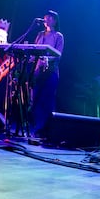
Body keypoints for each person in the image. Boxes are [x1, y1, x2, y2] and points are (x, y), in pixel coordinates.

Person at [29, 10, 64, 139]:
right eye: (45, 17)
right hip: (38, 71)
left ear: (55, 21)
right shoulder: (40, 34)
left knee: (46, 101)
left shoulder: (58, 36)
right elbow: (35, 51)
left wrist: (47, 59)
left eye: (50, 17)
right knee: (34, 100)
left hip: (50, 72)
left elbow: (58, 55)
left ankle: (45, 131)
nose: (47, 19)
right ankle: (34, 129)